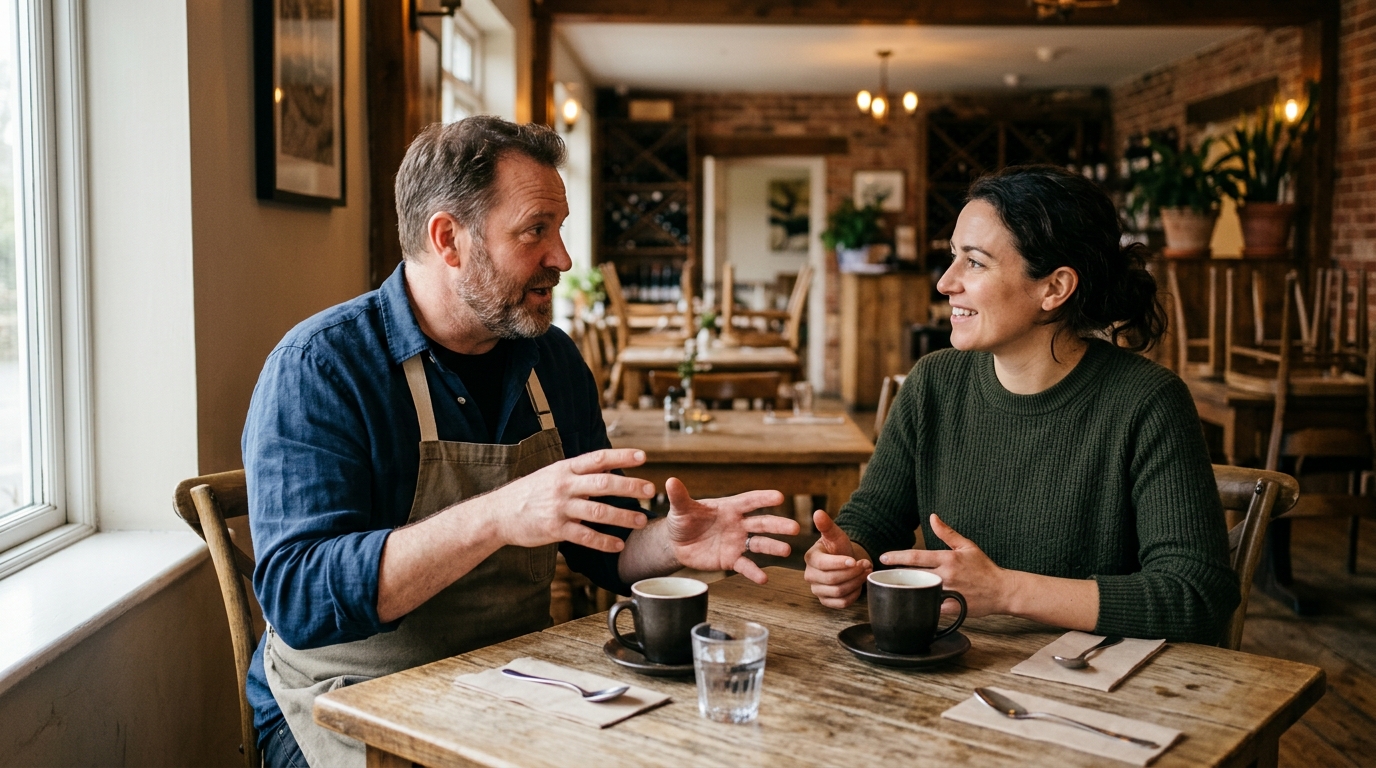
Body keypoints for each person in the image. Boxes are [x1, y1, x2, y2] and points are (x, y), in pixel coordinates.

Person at [243, 116, 799, 768]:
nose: (562, 258)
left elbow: (602, 551)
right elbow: (301, 600)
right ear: (449, 239)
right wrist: (500, 514)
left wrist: (666, 544)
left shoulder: (552, 360)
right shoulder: (321, 367)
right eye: (536, 229)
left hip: (519, 683)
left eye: (559, 230)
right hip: (343, 701)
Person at [804, 165, 1238, 646]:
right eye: (952, 257)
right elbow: (875, 519)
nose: (946, 283)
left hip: (1093, 689)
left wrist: (1006, 590)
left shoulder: (1147, 402)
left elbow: (1196, 595)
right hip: (949, 666)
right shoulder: (934, 382)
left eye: (975, 262)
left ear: (1053, 288)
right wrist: (843, 558)